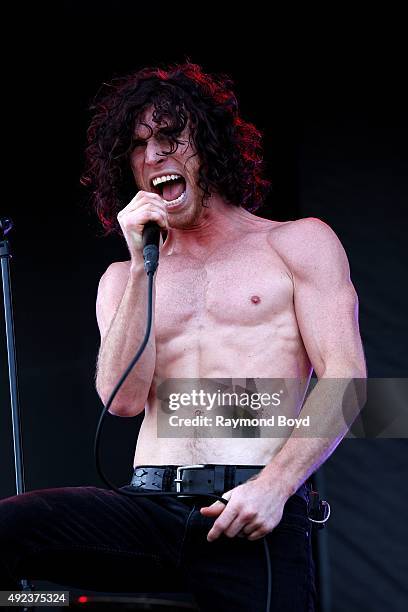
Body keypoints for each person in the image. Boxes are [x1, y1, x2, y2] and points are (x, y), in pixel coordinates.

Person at [0, 62, 366, 611]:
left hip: (246, 508)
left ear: (211, 146)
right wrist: (139, 265)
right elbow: (121, 401)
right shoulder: (124, 278)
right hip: (148, 505)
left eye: (171, 139)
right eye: (140, 145)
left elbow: (349, 381)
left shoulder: (297, 244)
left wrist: (276, 486)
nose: (154, 157)